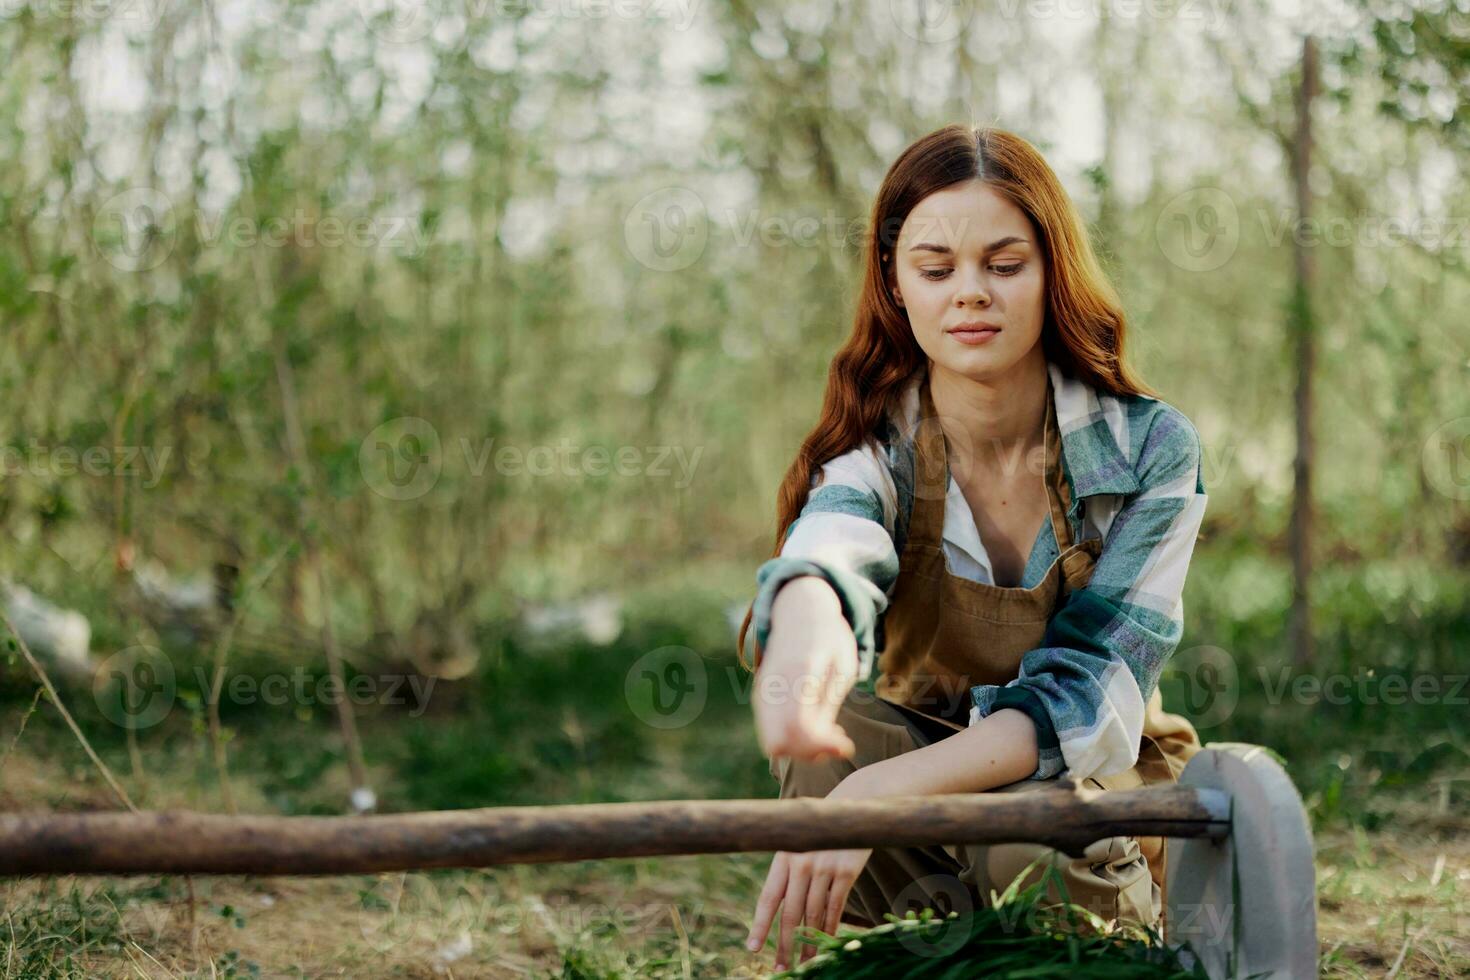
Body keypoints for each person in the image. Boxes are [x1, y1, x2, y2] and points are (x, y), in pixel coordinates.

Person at [735, 124, 1209, 971]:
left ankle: (1125, 943)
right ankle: (912, 959)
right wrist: (806, 633)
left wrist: (877, 790)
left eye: (1004, 264)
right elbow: (830, 550)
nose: (970, 295)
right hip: (926, 769)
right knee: (833, 746)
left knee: (1022, 845)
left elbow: (1086, 692)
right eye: (935, 267)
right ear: (896, 285)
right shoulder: (877, 449)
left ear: (1051, 270)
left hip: (1089, 779)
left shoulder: (1151, 451)